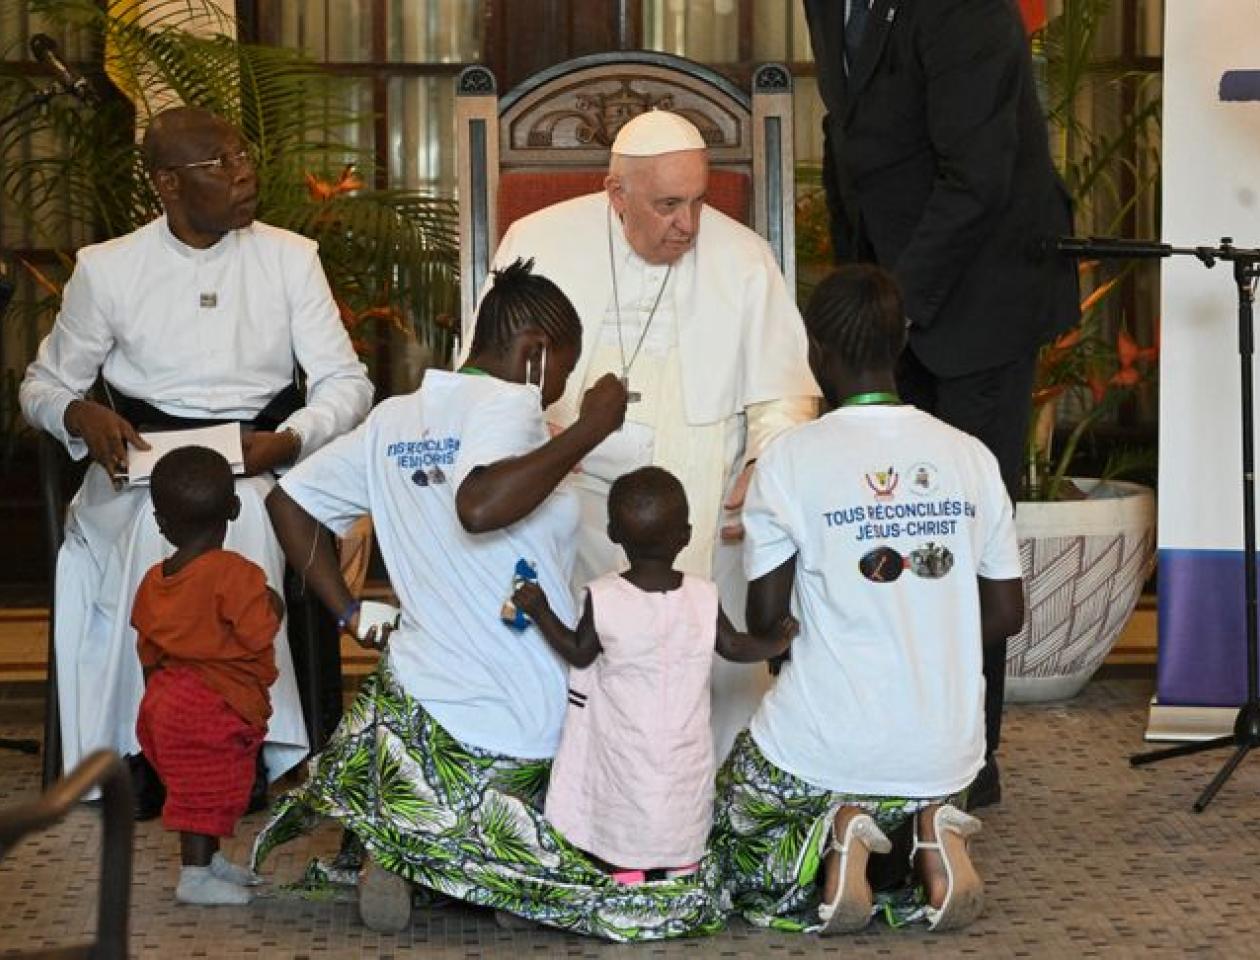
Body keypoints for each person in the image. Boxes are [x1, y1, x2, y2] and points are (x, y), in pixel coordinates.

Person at [251, 260, 725, 942]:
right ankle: (493, 874)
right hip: (519, 714)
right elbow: (477, 506)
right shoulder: (510, 407)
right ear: (533, 356)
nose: (558, 389)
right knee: (625, 859)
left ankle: (406, 851)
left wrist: (350, 614)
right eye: (560, 372)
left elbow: (289, 501)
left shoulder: (395, 419)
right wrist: (592, 426)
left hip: (416, 710)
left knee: (416, 758)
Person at [19, 106, 373, 798]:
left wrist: (294, 436)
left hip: (256, 459)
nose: (245, 175)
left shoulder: (290, 258)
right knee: (147, 540)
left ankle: (247, 746)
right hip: (142, 470)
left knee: (243, 525)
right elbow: (43, 383)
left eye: (244, 159)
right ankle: (137, 752)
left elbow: (346, 381)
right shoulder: (109, 269)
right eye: (222, 165)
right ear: (168, 186)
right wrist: (80, 412)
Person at [801, 0, 1079, 806]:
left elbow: (978, 175)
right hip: (893, 293)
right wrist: (858, 293)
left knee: (960, 530)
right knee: (886, 522)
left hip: (979, 301)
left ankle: (967, 759)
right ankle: (897, 738)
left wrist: (889, 307)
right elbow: (848, 136)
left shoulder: (963, 7)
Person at [484, 109, 820, 760]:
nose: (689, 225)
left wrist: (765, 462)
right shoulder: (538, 240)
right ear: (617, 195)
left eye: (698, 201)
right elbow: (493, 377)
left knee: (705, 641)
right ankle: (573, 787)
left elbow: (784, 396)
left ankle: (708, 794)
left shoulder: (746, 257)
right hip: (571, 490)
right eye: (668, 205)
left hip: (697, 498)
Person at [711, 265, 1026, 933]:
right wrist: (924, 626)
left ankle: (841, 827)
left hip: (822, 747)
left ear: (814, 351)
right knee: (904, 802)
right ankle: (930, 830)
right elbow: (1006, 614)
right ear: (903, 340)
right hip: (946, 755)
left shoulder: (790, 462)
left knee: (732, 849)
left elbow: (769, 621)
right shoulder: (969, 456)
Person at [511, 466, 797, 884]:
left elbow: (578, 652)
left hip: (625, 742)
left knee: (624, 810)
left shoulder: (605, 596)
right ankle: (681, 872)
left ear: (612, 533)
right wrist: (775, 640)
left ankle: (627, 879)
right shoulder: (702, 595)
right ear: (686, 534)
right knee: (681, 803)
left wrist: (539, 611)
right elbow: (735, 647)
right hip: (683, 743)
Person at [133, 446, 281, 906]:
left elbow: (148, 652)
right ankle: (194, 877)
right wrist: (272, 600)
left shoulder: (154, 580)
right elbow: (259, 634)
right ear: (234, 508)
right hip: (211, 705)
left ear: (160, 522)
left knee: (196, 785)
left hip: (165, 699)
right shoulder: (236, 575)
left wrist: (158, 703)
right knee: (207, 791)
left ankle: (210, 861)